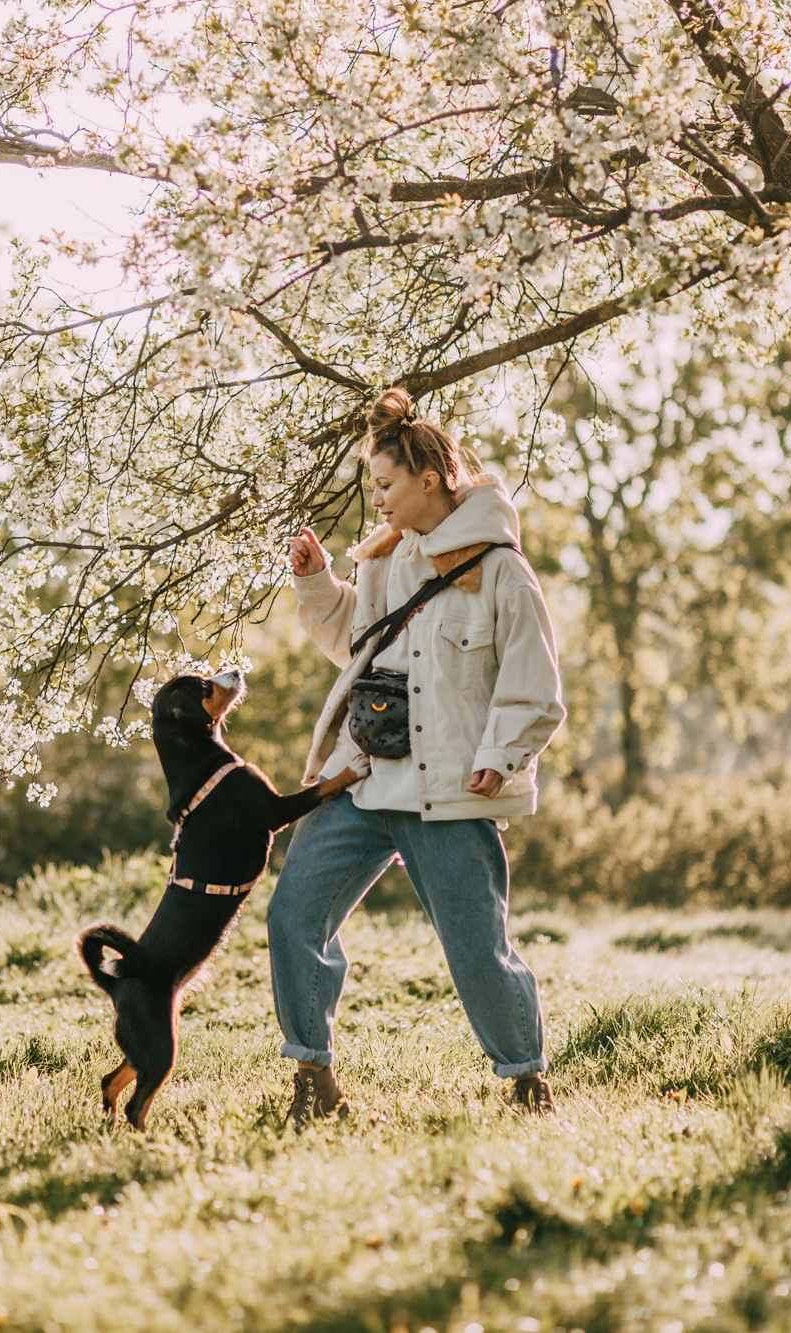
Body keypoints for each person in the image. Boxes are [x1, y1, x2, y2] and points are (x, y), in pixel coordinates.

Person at [273, 386, 565, 1123]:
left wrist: (501, 755)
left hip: (453, 791)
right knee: (293, 916)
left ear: (429, 480)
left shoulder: (502, 571)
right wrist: (317, 581)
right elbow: (355, 644)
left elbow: (534, 685)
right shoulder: (385, 558)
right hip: (361, 780)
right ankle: (312, 1077)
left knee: (476, 949)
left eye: (384, 484)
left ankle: (527, 1081)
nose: (375, 499)